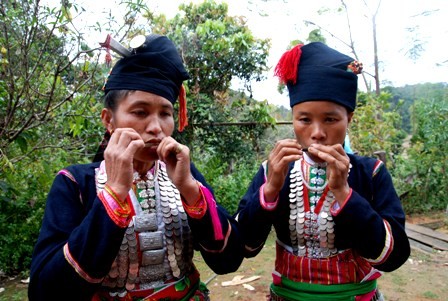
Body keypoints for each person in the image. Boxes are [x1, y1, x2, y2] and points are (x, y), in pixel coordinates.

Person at [28, 33, 243, 301]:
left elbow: (229, 261)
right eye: (140, 112)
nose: (156, 127)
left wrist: (189, 189)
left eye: (165, 113)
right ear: (109, 120)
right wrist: (115, 191)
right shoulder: (75, 183)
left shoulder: (183, 176)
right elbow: (45, 292)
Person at [235, 42, 410, 301]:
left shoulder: (371, 173)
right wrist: (270, 188)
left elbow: (393, 256)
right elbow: (245, 246)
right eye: (304, 119)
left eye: (330, 119)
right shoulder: (273, 169)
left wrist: (343, 192)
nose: (317, 132)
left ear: (349, 118)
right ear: (293, 118)